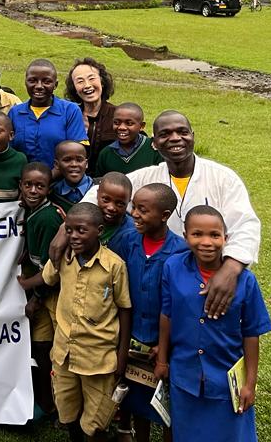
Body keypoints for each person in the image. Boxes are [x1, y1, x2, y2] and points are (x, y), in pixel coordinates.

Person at [84, 110, 262, 319]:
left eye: (182, 132)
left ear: (193, 136)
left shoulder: (222, 178)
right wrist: (66, 227)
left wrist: (230, 269)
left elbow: (245, 225)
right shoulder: (148, 177)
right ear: (155, 143)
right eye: (165, 134)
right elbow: (101, 191)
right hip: (159, 280)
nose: (175, 138)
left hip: (208, 276)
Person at [155, 206, 271, 442]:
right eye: (197, 234)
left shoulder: (245, 281)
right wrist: (162, 360)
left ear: (226, 239)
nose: (206, 242)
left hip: (225, 381)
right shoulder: (173, 268)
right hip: (184, 376)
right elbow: (166, 315)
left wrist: (250, 384)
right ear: (185, 236)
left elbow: (251, 333)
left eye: (215, 235)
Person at [41, 203, 131, 442]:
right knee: (67, 408)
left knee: (96, 420)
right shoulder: (64, 256)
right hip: (64, 354)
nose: (73, 236)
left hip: (98, 358)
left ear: (99, 230)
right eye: (69, 230)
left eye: (81, 230)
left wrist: (122, 357)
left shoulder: (114, 266)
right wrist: (55, 254)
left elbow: (124, 309)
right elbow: (47, 279)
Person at [109, 183, 186, 442]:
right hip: (131, 339)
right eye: (134, 207)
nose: (134, 214)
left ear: (164, 215)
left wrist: (167, 346)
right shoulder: (127, 240)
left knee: (167, 410)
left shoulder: (181, 251)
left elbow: (184, 306)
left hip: (165, 345)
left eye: (143, 209)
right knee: (138, 403)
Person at [14, 161, 63, 418]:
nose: (33, 190)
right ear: (20, 186)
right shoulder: (31, 211)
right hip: (41, 292)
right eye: (28, 185)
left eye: (39, 186)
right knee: (41, 347)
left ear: (48, 189)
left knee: (52, 350)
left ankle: (55, 402)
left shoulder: (47, 218)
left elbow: (50, 271)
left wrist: (34, 296)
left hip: (50, 295)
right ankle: (46, 400)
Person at [9, 59, 88, 167]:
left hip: (60, 181)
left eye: (46, 81)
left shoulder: (70, 111)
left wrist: (48, 178)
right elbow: (9, 151)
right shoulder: (15, 113)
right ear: (25, 82)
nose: (39, 86)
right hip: (23, 181)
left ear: (55, 85)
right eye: (32, 80)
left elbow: (75, 157)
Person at [65, 58, 118, 174]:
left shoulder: (117, 115)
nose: (87, 85)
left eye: (92, 78)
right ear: (74, 88)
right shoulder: (69, 115)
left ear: (102, 82)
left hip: (109, 182)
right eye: (80, 81)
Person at [94, 103, 162, 176]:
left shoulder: (154, 149)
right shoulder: (106, 154)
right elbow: (100, 181)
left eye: (129, 123)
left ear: (142, 126)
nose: (121, 127)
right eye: (116, 122)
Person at [50, 140, 93, 212]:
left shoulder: (97, 189)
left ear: (86, 164)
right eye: (67, 160)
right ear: (57, 164)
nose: (74, 164)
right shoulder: (53, 193)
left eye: (79, 160)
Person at [97, 172, 135, 247]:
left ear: (128, 202)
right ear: (97, 194)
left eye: (120, 203)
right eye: (106, 199)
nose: (111, 208)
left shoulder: (133, 232)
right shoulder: (85, 220)